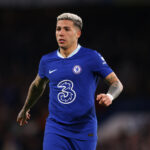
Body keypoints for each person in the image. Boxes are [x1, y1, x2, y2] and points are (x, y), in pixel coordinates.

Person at [17, 12, 123, 150]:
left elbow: (117, 84)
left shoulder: (91, 57)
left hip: (84, 130)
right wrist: (26, 108)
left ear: (78, 33)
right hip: (56, 129)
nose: (61, 33)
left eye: (66, 29)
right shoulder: (47, 60)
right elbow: (37, 85)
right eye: (58, 29)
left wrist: (110, 96)